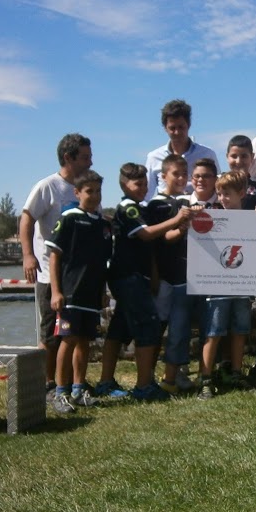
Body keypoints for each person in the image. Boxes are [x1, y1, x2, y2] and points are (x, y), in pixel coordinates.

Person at [94, 163, 192, 402]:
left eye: (145, 184)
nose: (142, 188)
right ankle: (143, 386)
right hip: (130, 277)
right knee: (147, 327)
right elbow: (146, 234)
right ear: (123, 185)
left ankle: (106, 381)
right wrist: (178, 219)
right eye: (137, 184)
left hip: (133, 276)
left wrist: (154, 273)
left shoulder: (138, 207)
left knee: (118, 329)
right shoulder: (128, 208)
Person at [20, 133, 93, 391]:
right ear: (68, 158)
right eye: (85, 157)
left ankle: (74, 382)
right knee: (50, 332)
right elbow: (26, 219)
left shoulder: (86, 188)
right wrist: (28, 255)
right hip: (48, 274)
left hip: (76, 276)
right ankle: (47, 382)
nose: (90, 162)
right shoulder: (48, 186)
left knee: (75, 332)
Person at [46, 170, 110, 412]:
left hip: (91, 295)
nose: (94, 196)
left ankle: (78, 388)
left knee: (85, 341)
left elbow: (103, 261)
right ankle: (60, 392)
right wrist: (56, 291)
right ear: (77, 193)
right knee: (68, 340)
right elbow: (54, 256)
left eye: (98, 191)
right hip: (70, 293)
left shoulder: (103, 224)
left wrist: (103, 291)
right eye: (89, 191)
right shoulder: (70, 218)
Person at [196, 170, 256, 399]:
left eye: (227, 193)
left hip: (243, 284)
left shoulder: (252, 218)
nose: (222, 198)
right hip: (218, 285)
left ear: (241, 193)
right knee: (214, 332)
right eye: (219, 194)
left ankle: (236, 372)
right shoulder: (209, 217)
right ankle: (205, 378)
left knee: (240, 330)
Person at [145, 153, 196, 392]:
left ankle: (172, 378)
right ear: (163, 175)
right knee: (156, 329)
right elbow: (159, 240)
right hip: (162, 277)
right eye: (176, 173)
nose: (181, 178)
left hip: (183, 276)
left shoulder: (188, 202)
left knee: (180, 328)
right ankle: (147, 376)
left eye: (184, 174)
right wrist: (180, 223)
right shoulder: (154, 205)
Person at [144, 99, 218, 201]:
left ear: (189, 125)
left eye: (181, 127)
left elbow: (218, 188)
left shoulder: (207, 154)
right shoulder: (154, 157)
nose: (177, 132)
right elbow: (146, 195)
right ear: (165, 128)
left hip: (200, 213)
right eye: (172, 128)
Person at [225, 135, 256, 209]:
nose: (238, 161)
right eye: (234, 156)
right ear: (227, 157)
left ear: (252, 157)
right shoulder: (217, 184)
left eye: (244, 156)